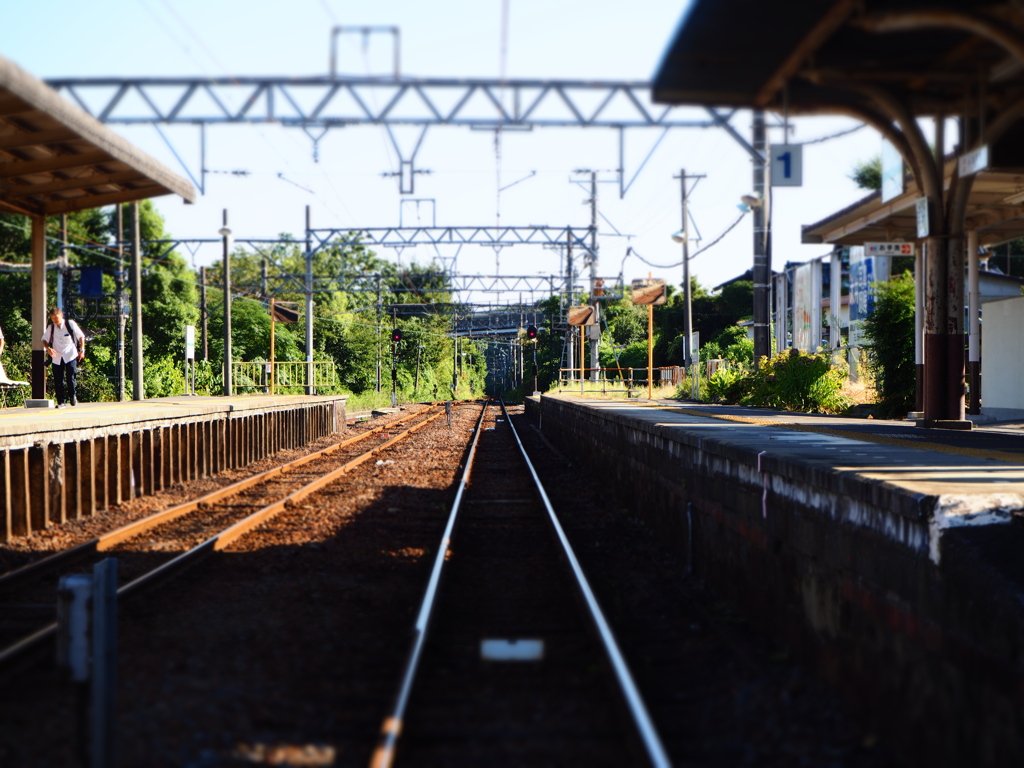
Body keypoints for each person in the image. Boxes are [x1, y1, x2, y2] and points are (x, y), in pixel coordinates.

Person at [41, 307, 85, 408]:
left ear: (61, 316)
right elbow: (44, 339)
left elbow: (81, 336)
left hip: (70, 354)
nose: (55, 320)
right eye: (53, 318)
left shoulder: (70, 324)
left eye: (56, 318)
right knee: (58, 380)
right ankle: (61, 402)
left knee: (70, 377)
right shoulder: (51, 327)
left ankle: (73, 396)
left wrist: (82, 350)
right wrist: (48, 348)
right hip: (57, 356)